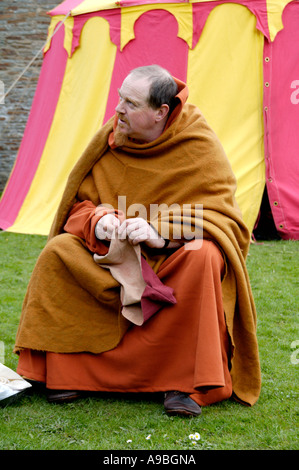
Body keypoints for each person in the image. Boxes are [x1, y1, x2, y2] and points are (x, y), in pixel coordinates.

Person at [14, 65, 261, 416]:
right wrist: (100, 223)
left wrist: (161, 233)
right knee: (59, 251)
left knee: (204, 255)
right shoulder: (111, 139)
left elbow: (223, 220)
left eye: (130, 103)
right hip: (111, 256)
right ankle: (67, 371)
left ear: (161, 112)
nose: (118, 110)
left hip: (169, 259)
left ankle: (186, 384)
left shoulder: (198, 143)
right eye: (119, 98)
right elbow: (80, 205)